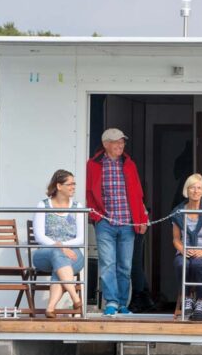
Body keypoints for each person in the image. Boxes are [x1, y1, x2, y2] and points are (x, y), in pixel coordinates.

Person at [86, 128, 148, 316]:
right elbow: (89, 192)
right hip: (105, 223)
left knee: (125, 266)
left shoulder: (129, 164)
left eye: (122, 142)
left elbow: (138, 194)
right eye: (115, 142)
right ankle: (111, 302)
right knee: (107, 264)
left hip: (127, 223)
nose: (120, 145)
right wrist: (96, 216)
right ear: (106, 144)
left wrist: (142, 217)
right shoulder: (93, 164)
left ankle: (122, 304)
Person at [33, 169, 85, 319]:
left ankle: (50, 308)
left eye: (74, 184)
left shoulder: (78, 207)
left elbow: (80, 238)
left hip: (73, 255)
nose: (73, 187)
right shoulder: (43, 205)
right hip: (45, 255)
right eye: (70, 184)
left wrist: (64, 247)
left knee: (59, 265)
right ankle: (75, 297)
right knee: (57, 254)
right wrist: (60, 247)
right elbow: (39, 236)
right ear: (59, 186)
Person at [171, 173, 202, 316]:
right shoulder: (178, 211)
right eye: (192, 188)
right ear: (186, 190)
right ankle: (187, 298)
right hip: (185, 252)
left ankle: (201, 299)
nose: (196, 191)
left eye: (199, 188)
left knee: (198, 263)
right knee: (181, 264)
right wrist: (184, 250)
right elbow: (176, 239)